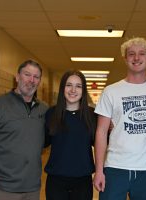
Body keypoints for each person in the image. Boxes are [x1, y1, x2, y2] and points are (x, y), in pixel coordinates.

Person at [93, 37, 146, 200]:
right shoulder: (111, 91)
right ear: (125, 58)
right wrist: (99, 171)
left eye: (142, 54)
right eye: (131, 54)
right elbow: (101, 132)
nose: (136, 58)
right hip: (115, 168)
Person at [0, 59, 48, 200]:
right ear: (17, 77)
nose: (31, 80)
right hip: (1, 188)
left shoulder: (44, 109)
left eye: (36, 77)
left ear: (39, 81)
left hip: (32, 189)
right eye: (27, 74)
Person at [44, 70, 96, 200]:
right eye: (69, 85)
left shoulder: (92, 115)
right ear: (62, 88)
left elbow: (101, 143)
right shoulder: (51, 113)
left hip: (83, 181)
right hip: (56, 181)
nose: (73, 90)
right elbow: (44, 141)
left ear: (83, 90)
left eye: (78, 86)